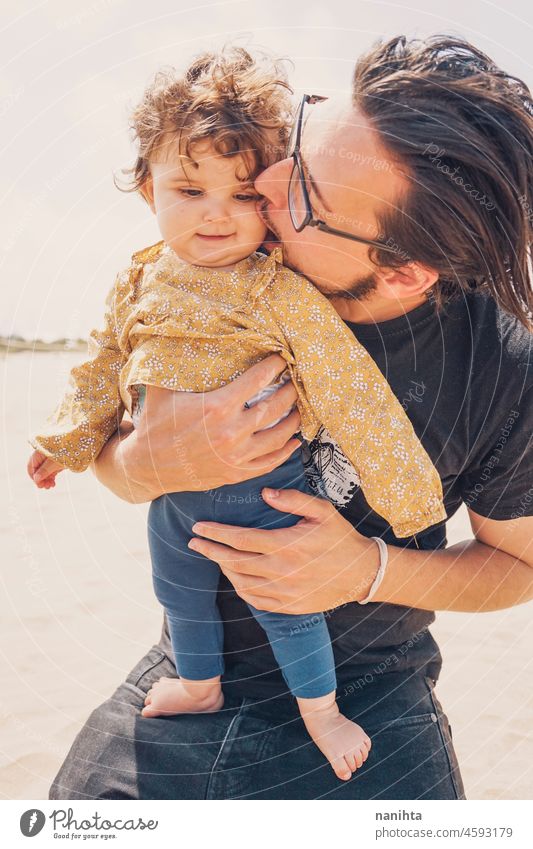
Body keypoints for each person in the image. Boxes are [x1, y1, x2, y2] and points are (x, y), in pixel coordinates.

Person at [48, 35, 533, 800]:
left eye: (305, 189)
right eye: (303, 136)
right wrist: (138, 465)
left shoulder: (500, 367)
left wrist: (368, 570)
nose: (260, 181)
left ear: (402, 269)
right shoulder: (197, 276)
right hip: (188, 662)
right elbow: (110, 416)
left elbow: (518, 567)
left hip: (369, 692)